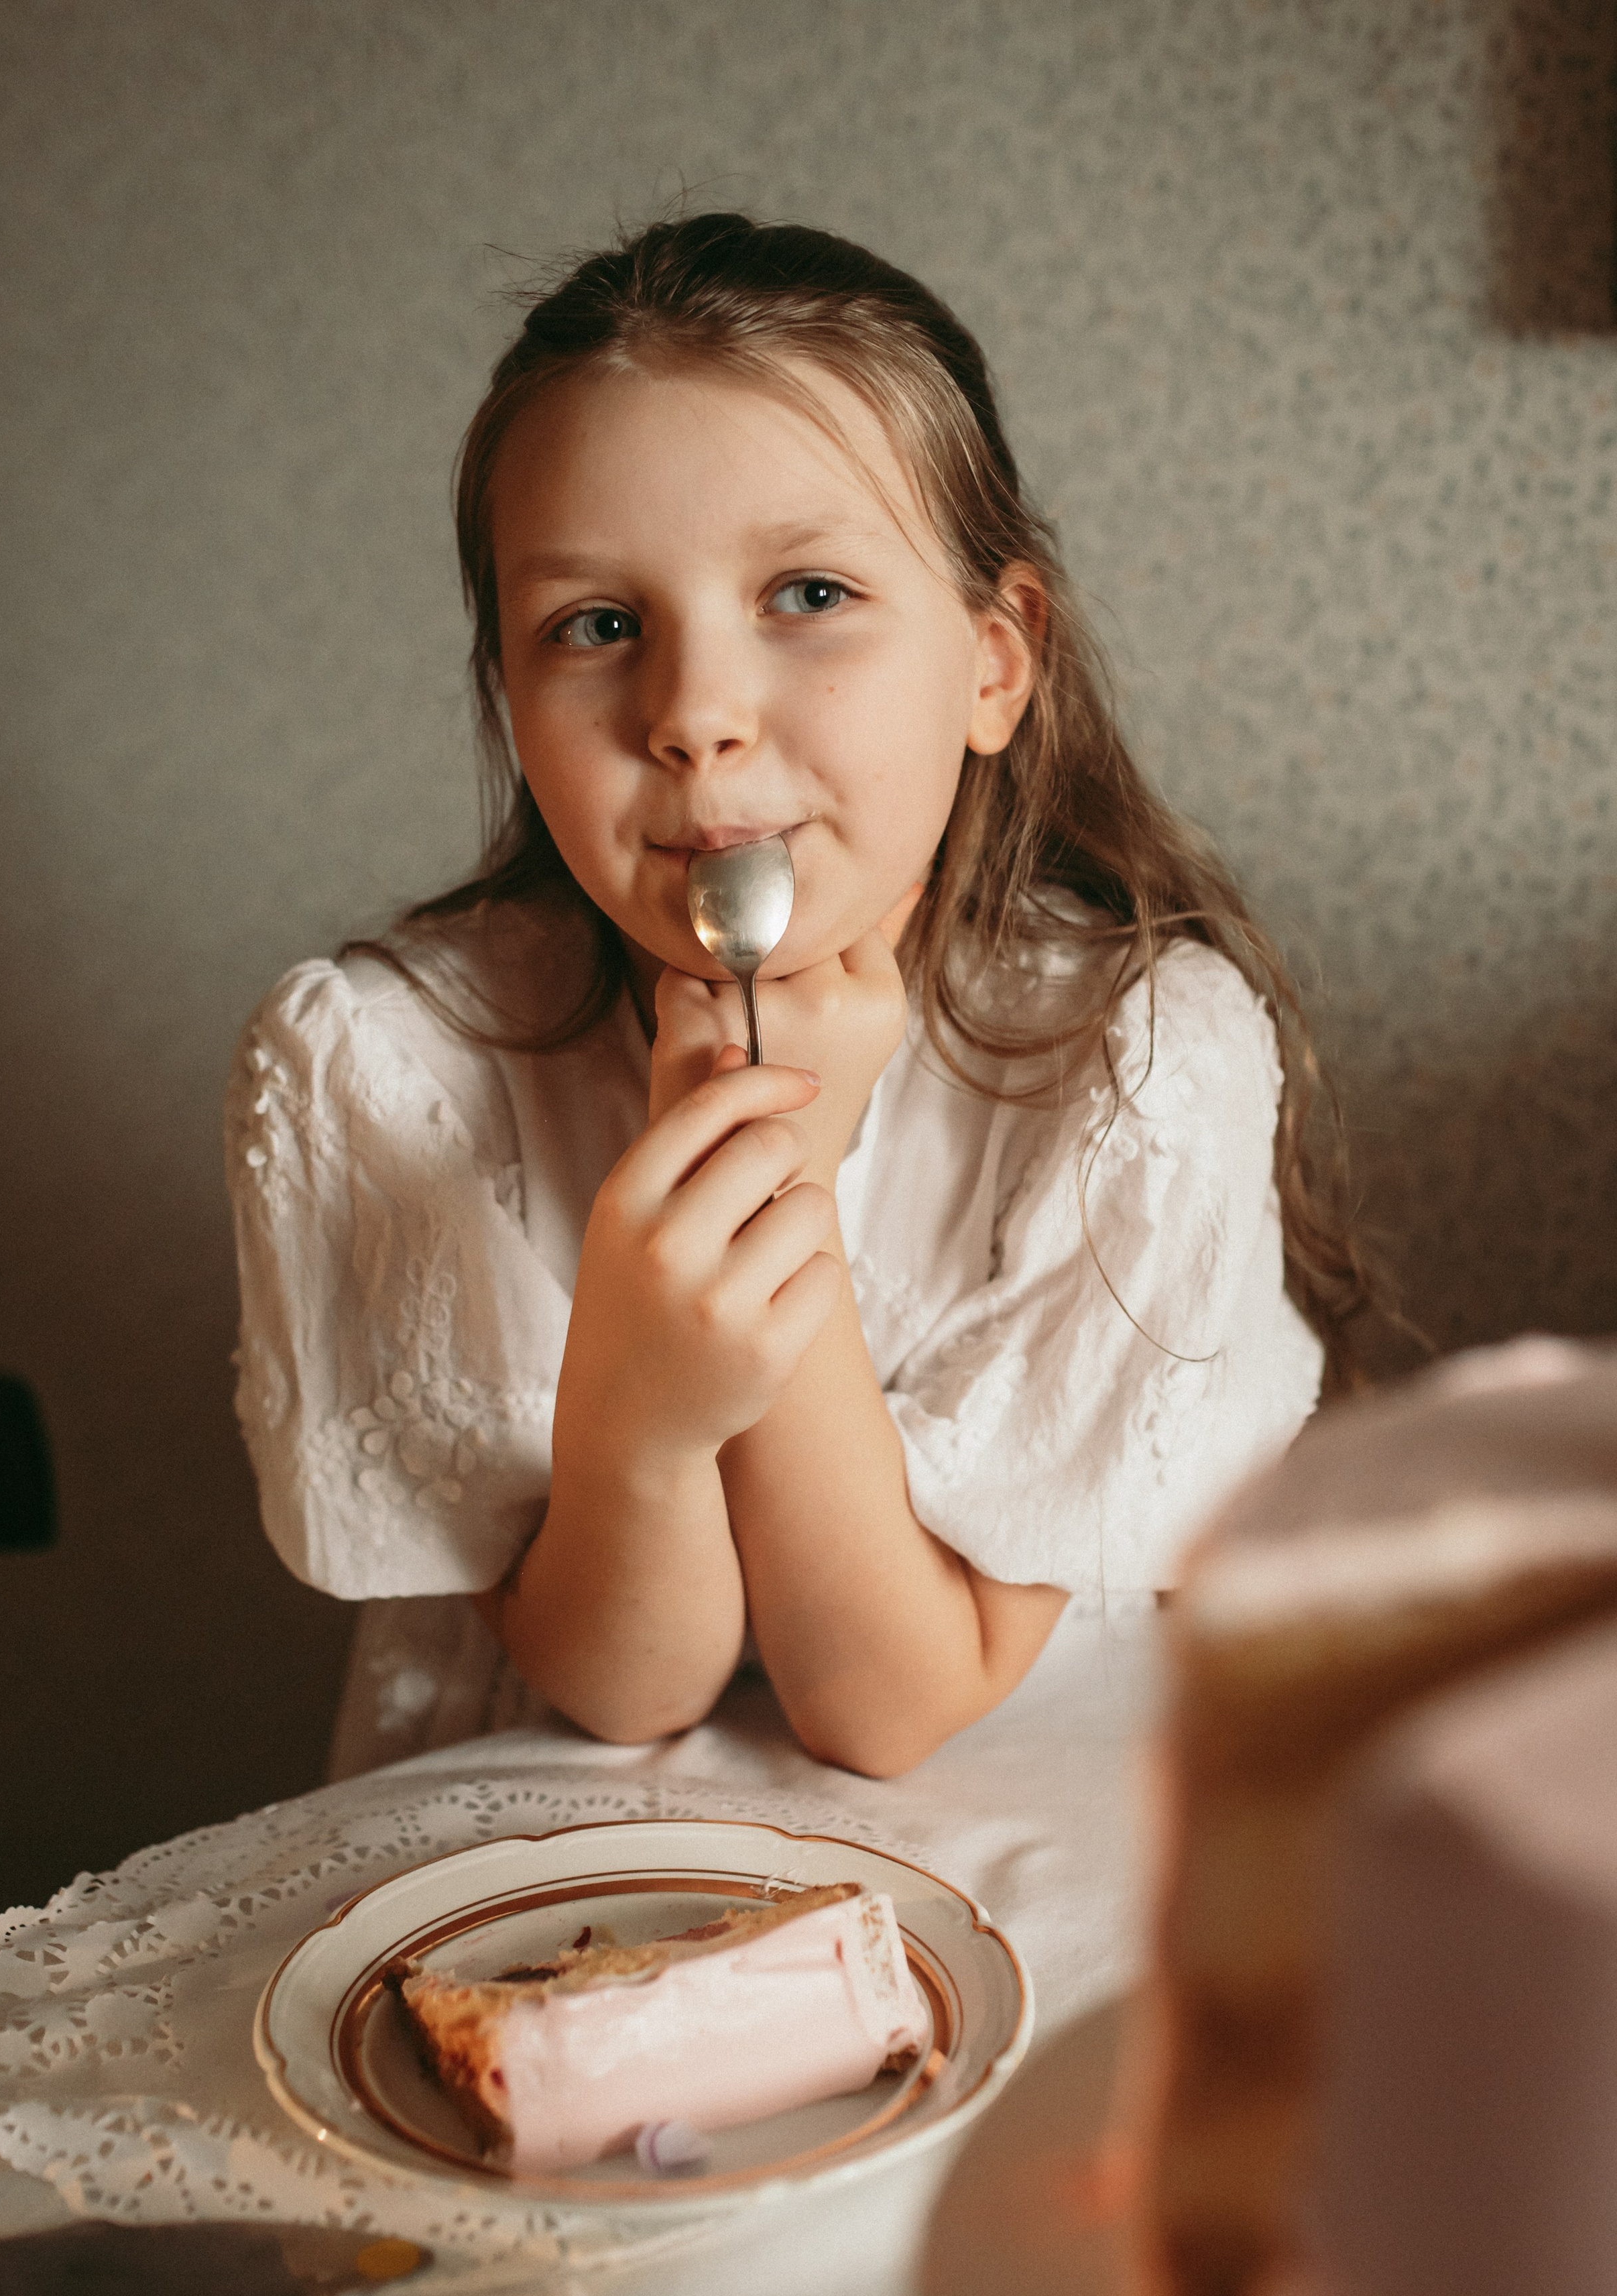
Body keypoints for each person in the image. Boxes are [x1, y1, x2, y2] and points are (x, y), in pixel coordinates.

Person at [227, 212, 1364, 1782]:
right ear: (510, 701)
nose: (693, 713)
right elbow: (627, 1695)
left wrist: (794, 1182)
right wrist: (639, 1405)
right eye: (598, 627)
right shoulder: (380, 1066)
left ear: (991, 660)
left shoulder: (1140, 1063)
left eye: (807, 594)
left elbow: (885, 1702)